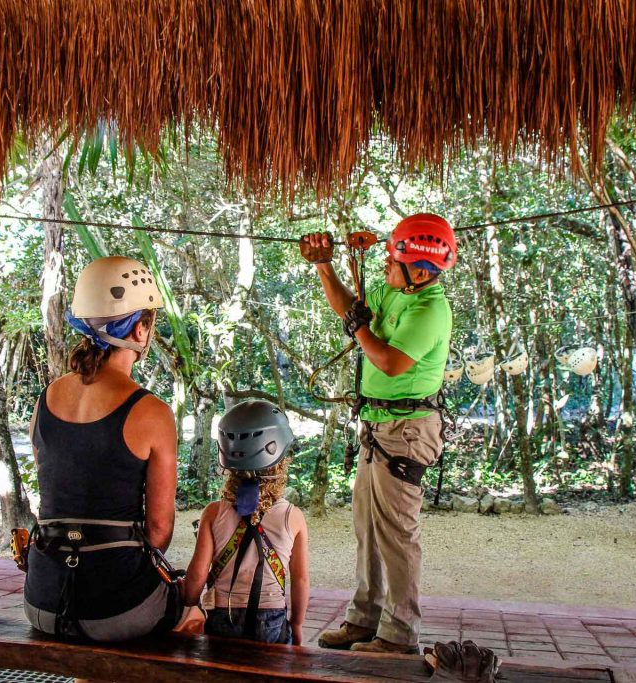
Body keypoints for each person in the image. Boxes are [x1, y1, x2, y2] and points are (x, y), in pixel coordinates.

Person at [300, 213, 456, 654]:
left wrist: (360, 329)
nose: (386, 265)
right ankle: (365, 619)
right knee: (368, 526)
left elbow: (389, 361)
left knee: (396, 530)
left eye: (394, 259)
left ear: (420, 270)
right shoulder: (398, 288)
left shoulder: (431, 310)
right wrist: (324, 265)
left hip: (406, 430)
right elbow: (353, 312)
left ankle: (400, 632)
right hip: (379, 425)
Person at [23, 255, 181, 641]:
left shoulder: (47, 398)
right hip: (114, 609)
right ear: (141, 329)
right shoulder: (151, 412)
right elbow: (159, 532)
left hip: (42, 602)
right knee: (192, 612)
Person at [181, 400, 310, 645]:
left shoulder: (213, 512)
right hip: (271, 619)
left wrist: (188, 605)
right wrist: (297, 624)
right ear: (280, 460)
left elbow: (197, 574)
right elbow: (301, 579)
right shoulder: (293, 517)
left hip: (221, 614)